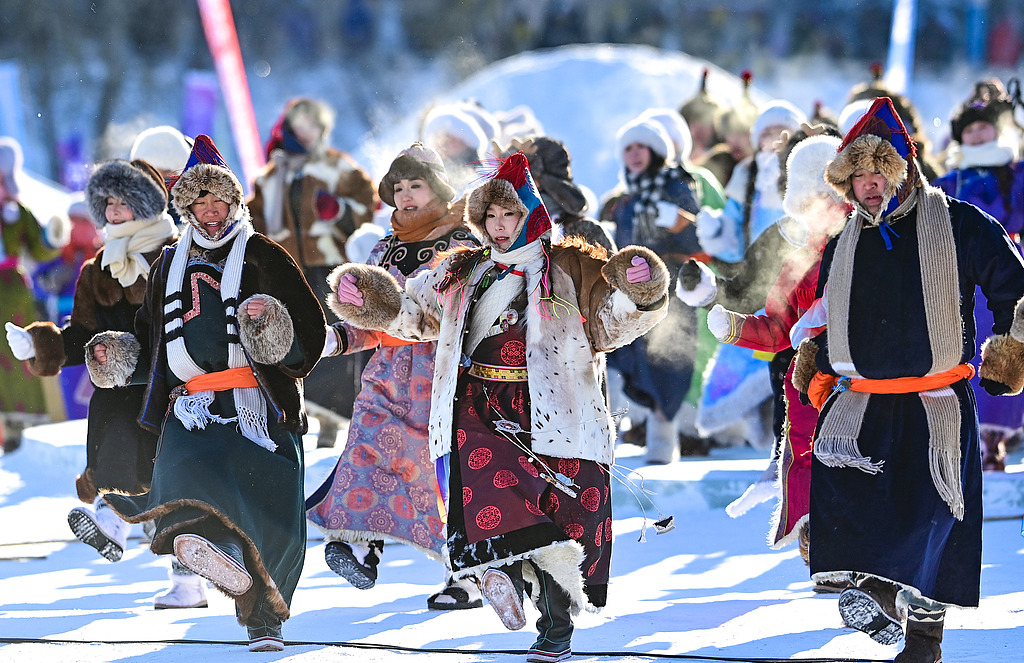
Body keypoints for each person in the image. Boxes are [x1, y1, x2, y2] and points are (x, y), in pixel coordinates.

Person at [328, 152, 669, 663]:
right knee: (493, 498)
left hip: (559, 413)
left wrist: (639, 292)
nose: (499, 225)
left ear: (531, 213)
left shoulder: (571, 265)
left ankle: (553, 629)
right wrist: (372, 301)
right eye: (490, 216)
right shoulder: (461, 269)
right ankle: (499, 572)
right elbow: (413, 314)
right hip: (480, 408)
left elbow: (610, 324)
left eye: (509, 214)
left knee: (562, 525)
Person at [793, 97, 1024, 663]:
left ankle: (922, 642)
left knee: (930, 528)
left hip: (935, 404)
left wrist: (1010, 352)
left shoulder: (962, 224)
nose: (870, 184)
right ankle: (875, 595)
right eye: (858, 175)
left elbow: (1016, 289)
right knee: (849, 519)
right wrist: (818, 361)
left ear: (906, 169)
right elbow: (829, 317)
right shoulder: (843, 242)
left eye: (881, 171)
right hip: (861, 409)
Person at [85, 135, 326, 652]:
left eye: (219, 199)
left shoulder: (265, 256)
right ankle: (216, 552)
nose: (211, 210)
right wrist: (116, 357)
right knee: (184, 480)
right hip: (193, 408)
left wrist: (273, 323)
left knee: (270, 514)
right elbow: (152, 343)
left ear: (234, 202)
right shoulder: (167, 264)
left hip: (259, 407)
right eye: (200, 201)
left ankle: (264, 618)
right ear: (187, 207)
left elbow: (311, 334)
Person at [4, 158, 202, 607]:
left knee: (181, 482)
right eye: (107, 202)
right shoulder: (98, 268)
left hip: (178, 384)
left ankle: (187, 581)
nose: (113, 210)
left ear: (145, 204)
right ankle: (111, 517)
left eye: (122, 201)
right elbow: (81, 333)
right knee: (122, 448)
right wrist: (39, 344)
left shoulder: (177, 255)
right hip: (120, 388)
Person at [305, 143, 483, 610]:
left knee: (446, 475)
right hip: (386, 374)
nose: (405, 195)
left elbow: (453, 317)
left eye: (415, 185)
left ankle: (466, 575)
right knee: (366, 446)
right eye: (397, 187)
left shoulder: (464, 244)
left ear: (438, 188)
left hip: (444, 375)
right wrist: (334, 338)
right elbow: (371, 319)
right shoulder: (384, 249)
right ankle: (362, 548)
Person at [685, 133, 848, 581]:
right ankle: (822, 551)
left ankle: (860, 555)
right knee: (809, 462)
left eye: (827, 194)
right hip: (810, 385)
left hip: (860, 379)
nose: (820, 205)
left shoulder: (870, 244)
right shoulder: (796, 259)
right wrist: (734, 327)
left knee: (857, 462)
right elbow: (778, 327)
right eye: (809, 197)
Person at [248, 97, 377, 447]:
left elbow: (369, 205)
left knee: (331, 339)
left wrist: (339, 211)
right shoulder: (270, 176)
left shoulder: (338, 167)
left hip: (330, 269)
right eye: (301, 125)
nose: (307, 132)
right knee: (297, 339)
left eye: (314, 125)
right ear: (289, 128)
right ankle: (305, 411)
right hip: (287, 270)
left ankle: (334, 418)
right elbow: (252, 219)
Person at [599, 114, 702, 464]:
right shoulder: (624, 199)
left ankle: (664, 434)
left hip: (672, 289)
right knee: (631, 357)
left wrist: (679, 224)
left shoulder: (677, 185)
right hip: (632, 291)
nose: (634, 154)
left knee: (669, 359)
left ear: (656, 150)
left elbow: (700, 238)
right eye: (628, 148)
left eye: (640, 146)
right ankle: (629, 429)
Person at [934, 85, 1024, 471]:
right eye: (968, 130)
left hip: (1008, 267)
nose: (976, 135)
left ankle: (998, 439)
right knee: (970, 348)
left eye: (983, 127)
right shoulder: (950, 180)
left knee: (1009, 344)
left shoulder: (1015, 172)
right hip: (964, 276)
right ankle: (975, 439)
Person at [0, 136, 61, 452]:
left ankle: (25, 427)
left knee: (19, 353)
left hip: (12, 291)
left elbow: (40, 249)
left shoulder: (17, 212)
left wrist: (54, 236)